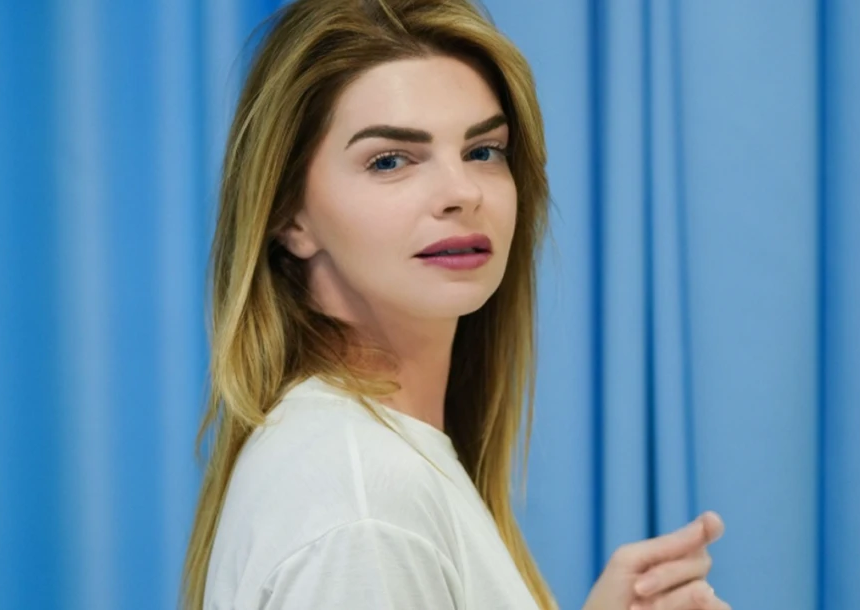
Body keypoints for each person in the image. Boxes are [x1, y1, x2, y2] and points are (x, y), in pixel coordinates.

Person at [179, 0, 729, 608]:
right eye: (390, 160)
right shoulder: (366, 507)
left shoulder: (369, 462)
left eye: (483, 151)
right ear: (289, 216)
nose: (462, 192)